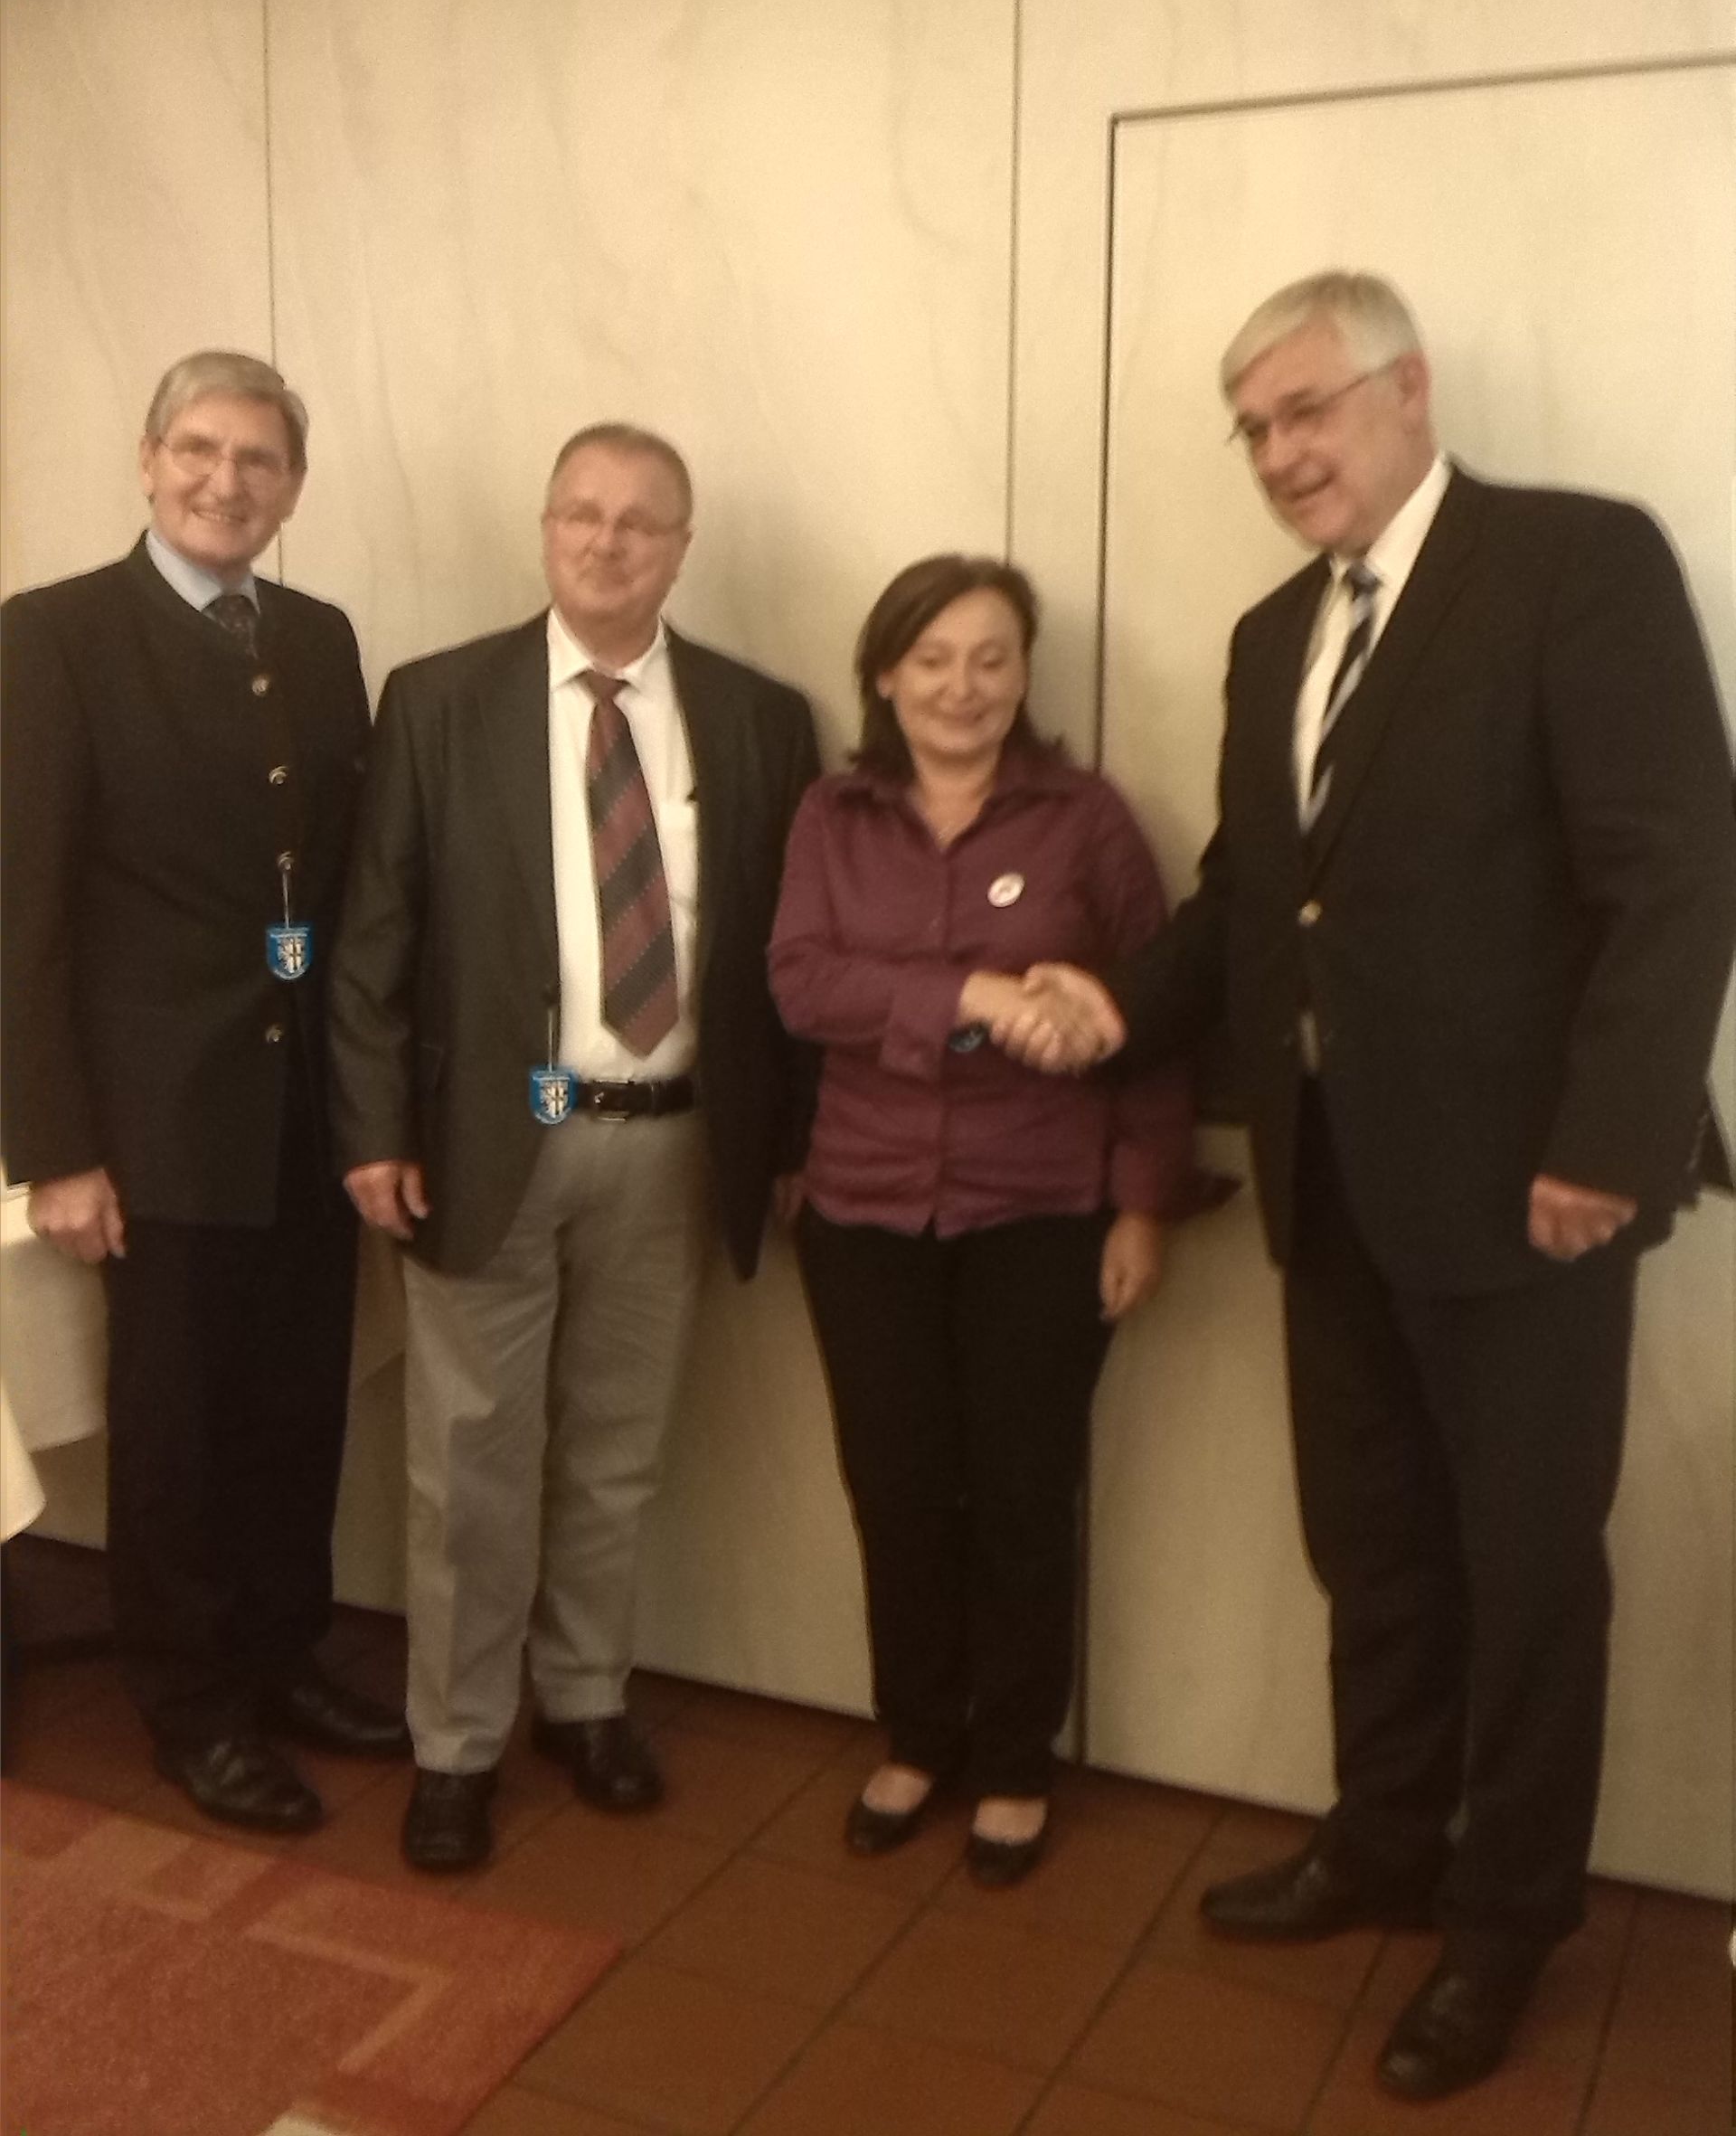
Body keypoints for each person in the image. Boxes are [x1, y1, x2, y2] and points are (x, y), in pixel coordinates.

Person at [996, 272, 1736, 2095]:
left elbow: (1676, 873)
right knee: (1374, 1545)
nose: (1277, 452)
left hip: (1533, 1192)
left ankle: (1506, 1923)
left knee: (1527, 1571)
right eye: (1252, 428)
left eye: (1306, 409)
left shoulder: (1575, 563)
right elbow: (1258, 897)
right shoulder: (1275, 634)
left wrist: (1611, 1141)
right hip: (1332, 1175)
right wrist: (1120, 1000)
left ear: (1409, 390)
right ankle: (1387, 1839)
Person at [327, 423, 820, 1872]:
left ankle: (587, 1699)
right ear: (546, 529)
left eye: (640, 522)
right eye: (583, 515)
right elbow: (370, 938)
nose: (609, 543)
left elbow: (789, 954)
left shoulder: (758, 717)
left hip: (674, 1146)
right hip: (487, 1144)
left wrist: (788, 1137)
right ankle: (457, 1744)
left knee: (616, 1452)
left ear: (683, 546)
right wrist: (373, 1127)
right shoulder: (438, 700)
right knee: (467, 1467)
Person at [0, 352, 410, 1832]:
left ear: (293, 484)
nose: (225, 482)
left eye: (259, 459)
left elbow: (343, 877)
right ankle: (191, 1705)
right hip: (154, 1123)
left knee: (297, 1408)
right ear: (147, 457)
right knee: (176, 1429)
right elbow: (21, 913)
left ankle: (283, 1654)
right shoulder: (50, 637)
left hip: (309, 1115)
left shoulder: (318, 635)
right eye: (198, 449)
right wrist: (53, 1148)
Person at [769, 554, 1199, 1886]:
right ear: (885, 673)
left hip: (1043, 1210)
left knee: (1022, 1493)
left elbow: (1157, 1027)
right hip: (863, 1207)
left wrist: (1144, 1206)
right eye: (934, 659)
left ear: (1024, 676)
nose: (963, 686)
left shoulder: (1086, 819)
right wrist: (974, 998)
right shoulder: (832, 814)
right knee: (896, 1490)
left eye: (992, 658)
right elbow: (801, 982)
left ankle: (1015, 1759)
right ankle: (918, 1737)